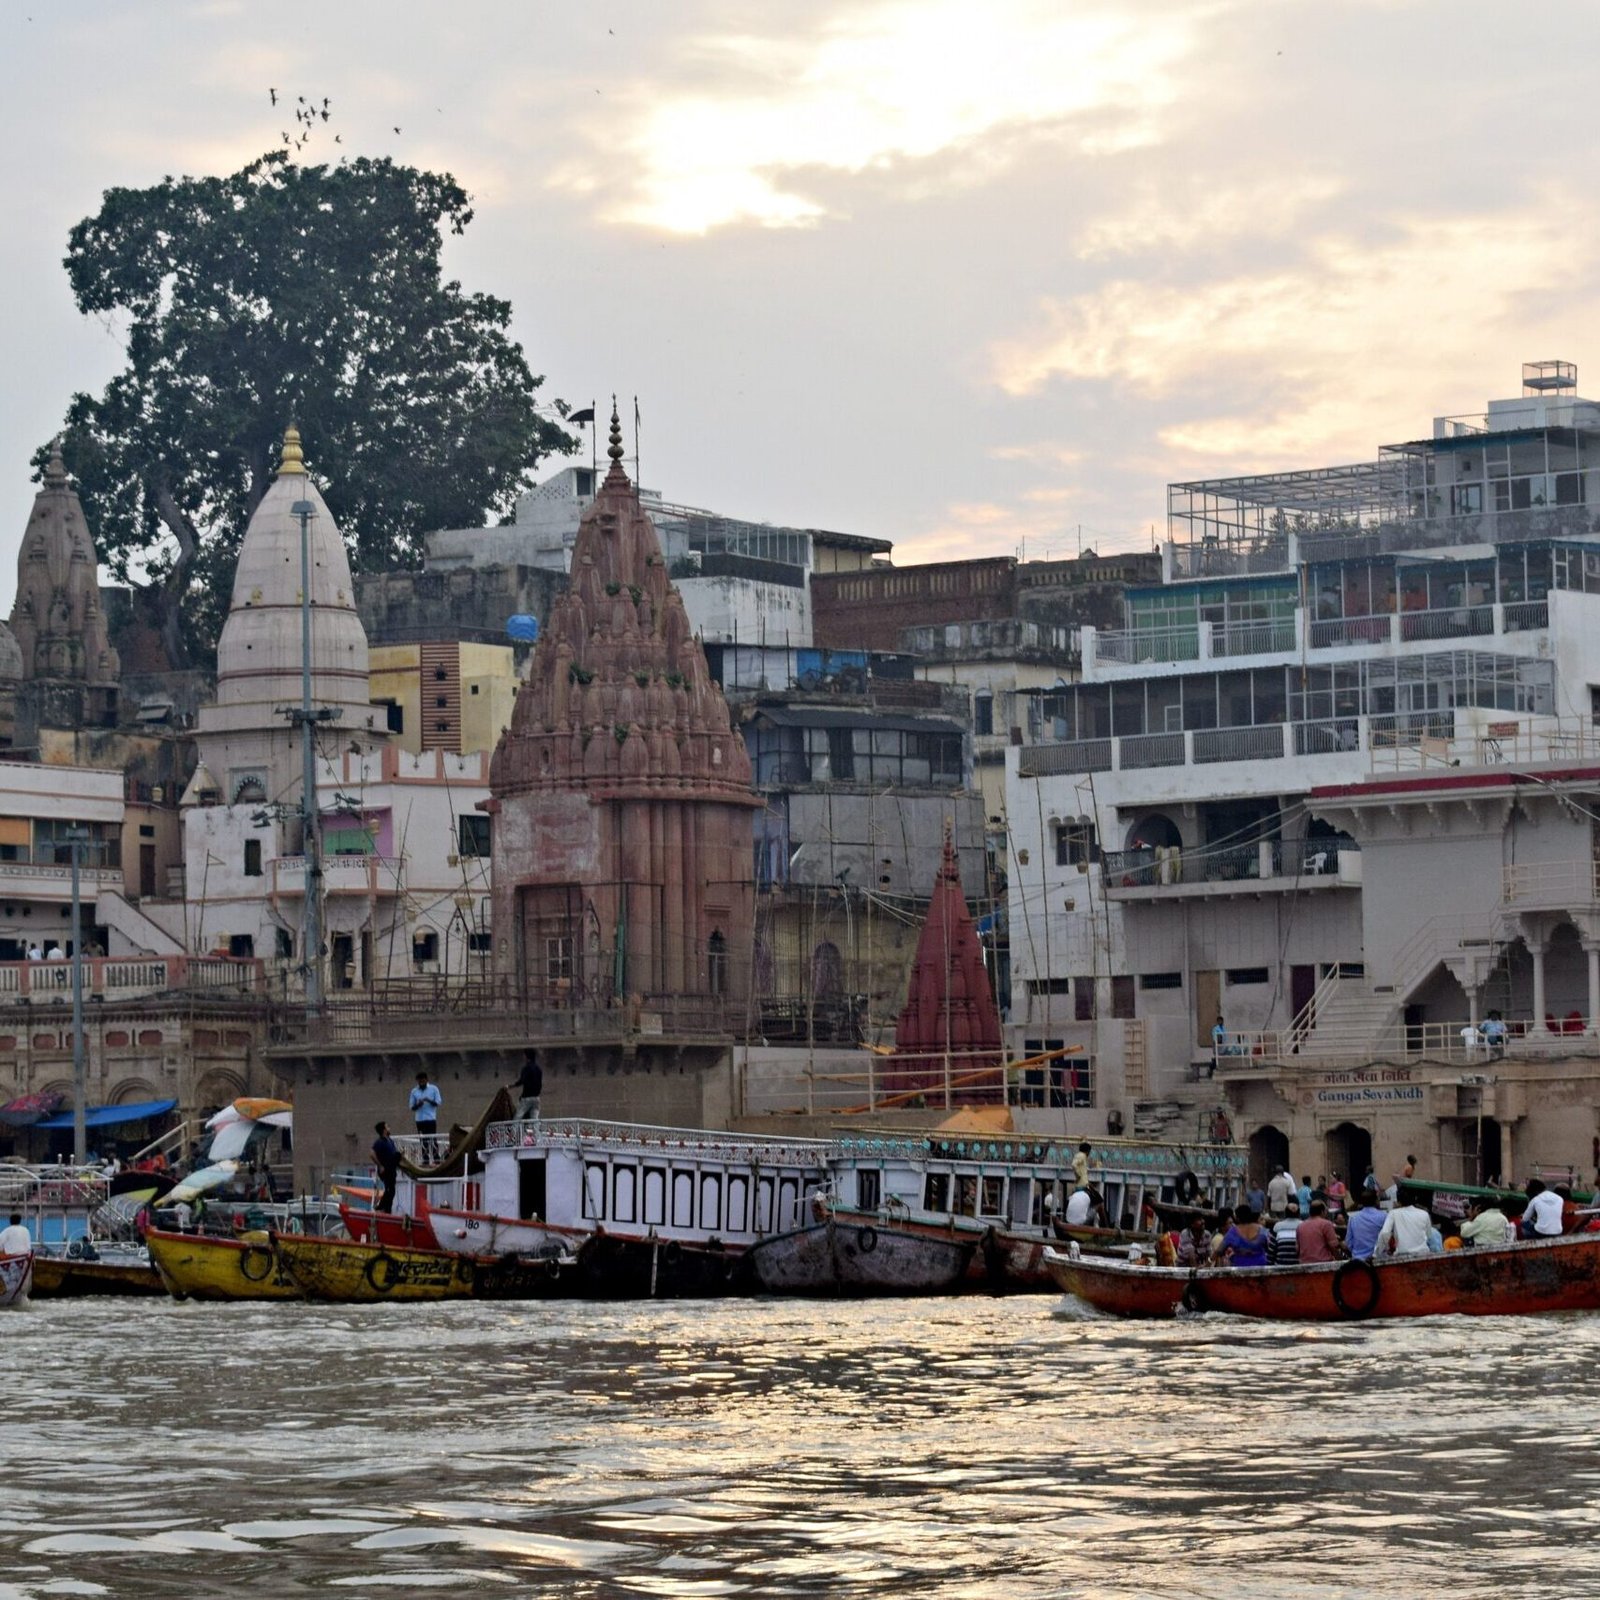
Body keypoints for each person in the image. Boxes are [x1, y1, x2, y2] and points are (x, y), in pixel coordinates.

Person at [1374, 1195, 1438, 1256]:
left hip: (1402, 1255)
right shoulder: (1424, 1214)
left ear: (1399, 1202)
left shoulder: (1393, 1213)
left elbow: (1385, 1233)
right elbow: (1428, 1235)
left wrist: (1377, 1253)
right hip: (1422, 1254)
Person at [1344, 1187, 1388, 1259]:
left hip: (1358, 1260)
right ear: (1376, 1200)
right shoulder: (1383, 1216)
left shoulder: (1353, 1218)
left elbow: (1348, 1243)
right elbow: (1388, 1237)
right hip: (1378, 1260)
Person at [1296, 1198, 1343, 1263]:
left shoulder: (1300, 1226)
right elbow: (1334, 1247)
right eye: (1326, 1211)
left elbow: (1297, 1249)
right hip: (1323, 1263)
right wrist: (1340, 1261)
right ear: (1322, 1211)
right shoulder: (1326, 1224)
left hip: (1304, 1263)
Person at [409, 1071, 442, 1162]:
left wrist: (428, 1100)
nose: (421, 1083)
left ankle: (436, 1157)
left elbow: (438, 1102)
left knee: (432, 1138)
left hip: (430, 1118)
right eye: (419, 1082)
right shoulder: (414, 1091)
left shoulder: (434, 1089)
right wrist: (418, 1104)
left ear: (427, 1080)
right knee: (423, 1140)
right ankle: (425, 1158)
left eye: (423, 1081)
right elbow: (412, 1107)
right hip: (420, 1119)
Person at [372, 1122, 400, 1215]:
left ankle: (387, 1208)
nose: (389, 1128)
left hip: (392, 1169)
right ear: (384, 1130)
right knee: (389, 1189)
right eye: (387, 1127)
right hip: (386, 1169)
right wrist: (380, 1166)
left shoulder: (390, 1141)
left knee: (392, 1190)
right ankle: (382, 1207)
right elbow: (372, 1154)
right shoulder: (380, 1142)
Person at [514, 1050, 543, 1124]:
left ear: (527, 1057)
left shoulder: (526, 1068)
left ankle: (513, 1134)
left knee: (518, 1116)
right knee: (535, 1118)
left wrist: (511, 1086)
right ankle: (537, 1133)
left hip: (527, 1097)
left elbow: (522, 1081)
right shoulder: (538, 1069)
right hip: (536, 1098)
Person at [1269, 1200, 1301, 1265]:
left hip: (1280, 1265)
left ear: (1285, 1213)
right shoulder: (1303, 1225)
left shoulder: (1277, 1226)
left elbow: (1271, 1250)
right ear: (1299, 1213)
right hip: (1299, 1265)